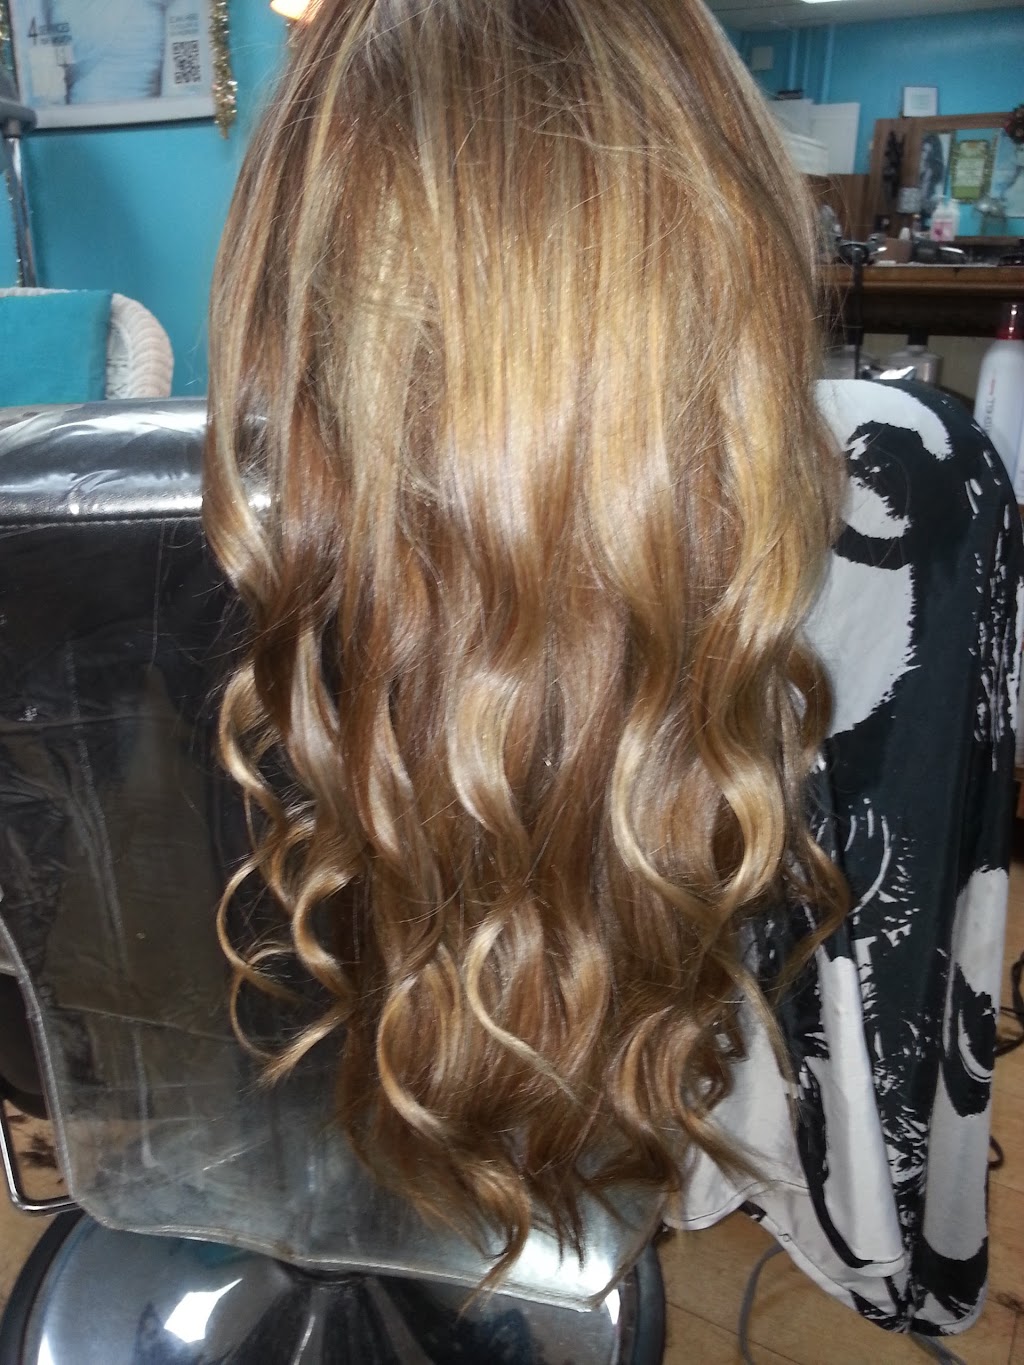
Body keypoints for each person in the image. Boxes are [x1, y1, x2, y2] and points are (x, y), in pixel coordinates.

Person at [204, 0, 1020, 1336]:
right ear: (727, 217)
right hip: (667, 1099)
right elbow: (915, 962)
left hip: (284, 1121)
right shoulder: (909, 481)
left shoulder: (200, 530)